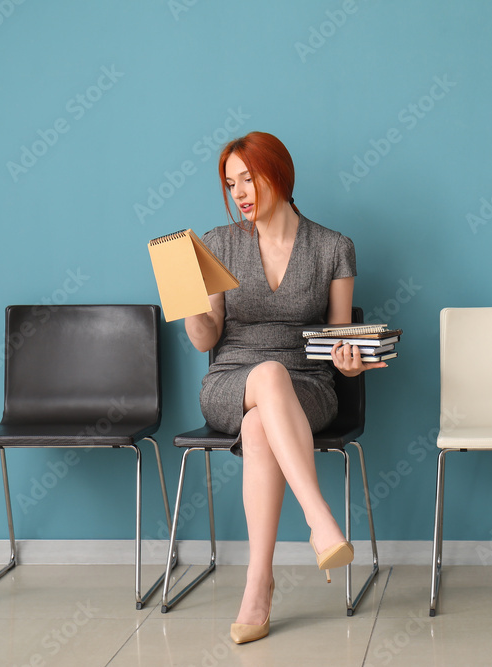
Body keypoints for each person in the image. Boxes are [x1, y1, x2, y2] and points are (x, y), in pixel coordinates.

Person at [183, 131, 386, 644]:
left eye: (249, 179)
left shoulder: (334, 248)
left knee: (261, 422)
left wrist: (352, 363)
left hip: (308, 386)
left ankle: (259, 584)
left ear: (279, 174)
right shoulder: (216, 244)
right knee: (264, 379)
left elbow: (338, 343)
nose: (240, 193)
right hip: (230, 380)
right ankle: (320, 522)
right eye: (231, 184)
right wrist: (190, 306)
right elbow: (205, 337)